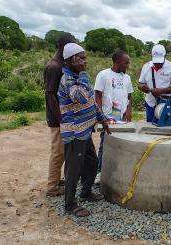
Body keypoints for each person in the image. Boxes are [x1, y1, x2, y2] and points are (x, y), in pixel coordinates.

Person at [57, 43, 111, 217]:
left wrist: (102, 118)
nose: (85, 61)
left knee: (92, 163)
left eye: (85, 57)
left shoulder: (78, 76)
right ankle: (70, 204)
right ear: (72, 59)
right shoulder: (68, 78)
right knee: (73, 168)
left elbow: (90, 102)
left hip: (85, 130)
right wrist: (84, 74)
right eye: (82, 58)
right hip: (74, 132)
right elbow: (79, 97)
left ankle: (85, 192)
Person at [44, 33, 76, 197]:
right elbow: (50, 94)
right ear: (65, 47)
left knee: (64, 150)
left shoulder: (61, 64)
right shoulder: (54, 67)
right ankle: (52, 187)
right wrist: (60, 118)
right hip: (57, 117)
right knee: (58, 151)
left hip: (62, 115)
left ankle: (56, 180)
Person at [94, 50, 133, 173]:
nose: (127, 66)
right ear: (117, 62)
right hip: (108, 116)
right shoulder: (103, 75)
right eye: (125, 63)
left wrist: (128, 111)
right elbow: (98, 96)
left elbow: (129, 96)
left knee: (120, 142)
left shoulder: (127, 78)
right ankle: (100, 172)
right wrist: (100, 115)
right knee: (105, 143)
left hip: (121, 117)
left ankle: (116, 170)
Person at [138, 44, 171, 122]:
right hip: (150, 103)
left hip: (165, 104)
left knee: (166, 128)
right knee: (150, 128)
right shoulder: (146, 67)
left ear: (165, 56)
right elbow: (140, 84)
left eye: (160, 62)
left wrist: (161, 91)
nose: (158, 64)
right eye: (155, 62)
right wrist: (143, 88)